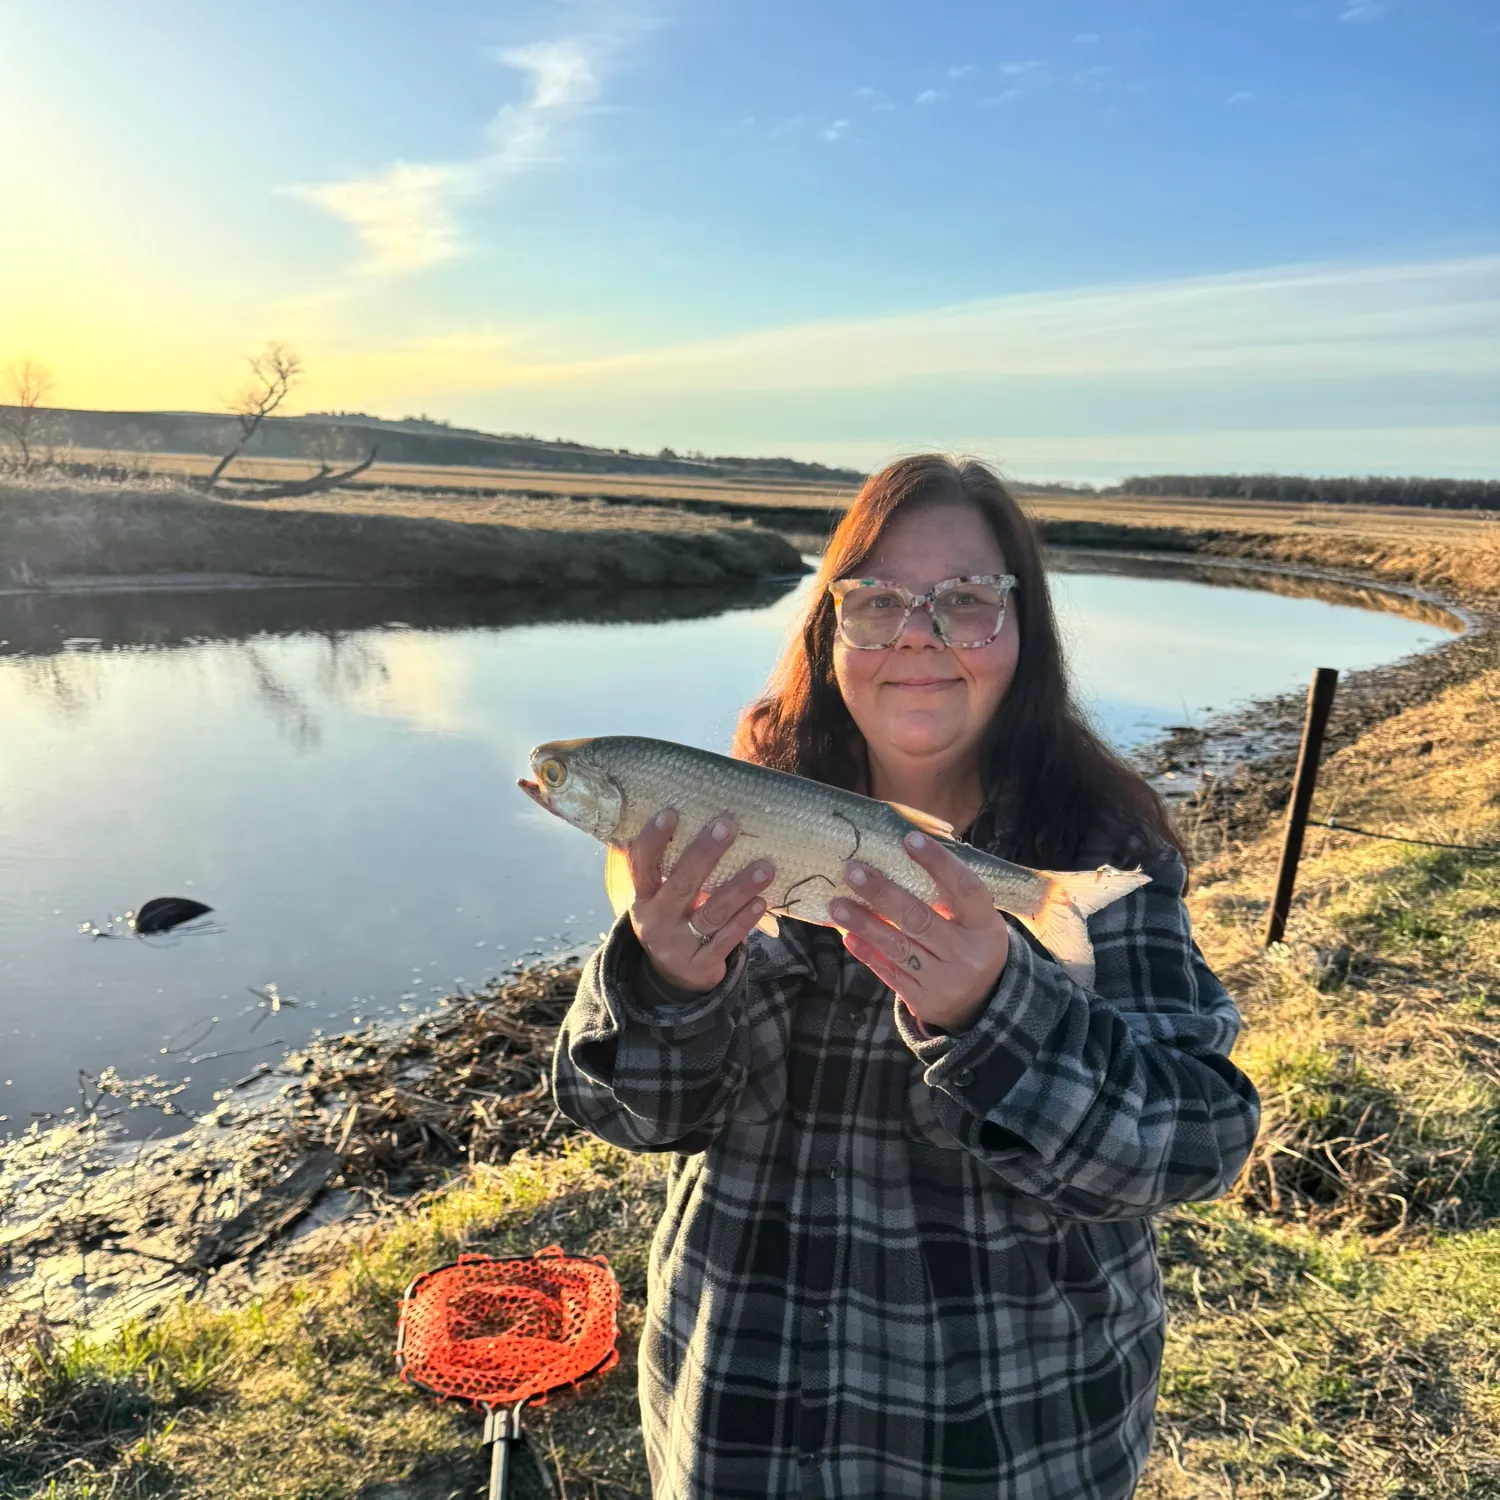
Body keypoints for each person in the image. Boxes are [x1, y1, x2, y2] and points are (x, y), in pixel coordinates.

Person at [551, 454, 1261, 1499]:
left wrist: (996, 1018)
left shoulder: (1101, 852)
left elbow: (1198, 1143)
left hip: (1009, 1439)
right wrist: (665, 988)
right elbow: (633, 1114)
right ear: (829, 630)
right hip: (739, 1417)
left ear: (1026, 633)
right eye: (875, 601)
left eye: (966, 601)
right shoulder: (734, 817)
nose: (917, 635)